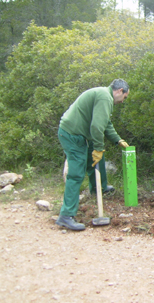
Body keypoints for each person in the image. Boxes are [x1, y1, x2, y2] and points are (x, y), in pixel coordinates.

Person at [57, 79, 130, 231]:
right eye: (125, 97)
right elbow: (96, 127)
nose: (123, 101)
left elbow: (105, 123)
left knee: (98, 157)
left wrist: (118, 140)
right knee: (76, 173)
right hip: (72, 135)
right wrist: (98, 147)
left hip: (82, 134)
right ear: (120, 91)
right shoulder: (105, 97)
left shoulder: (105, 96)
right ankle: (66, 215)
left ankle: (99, 188)